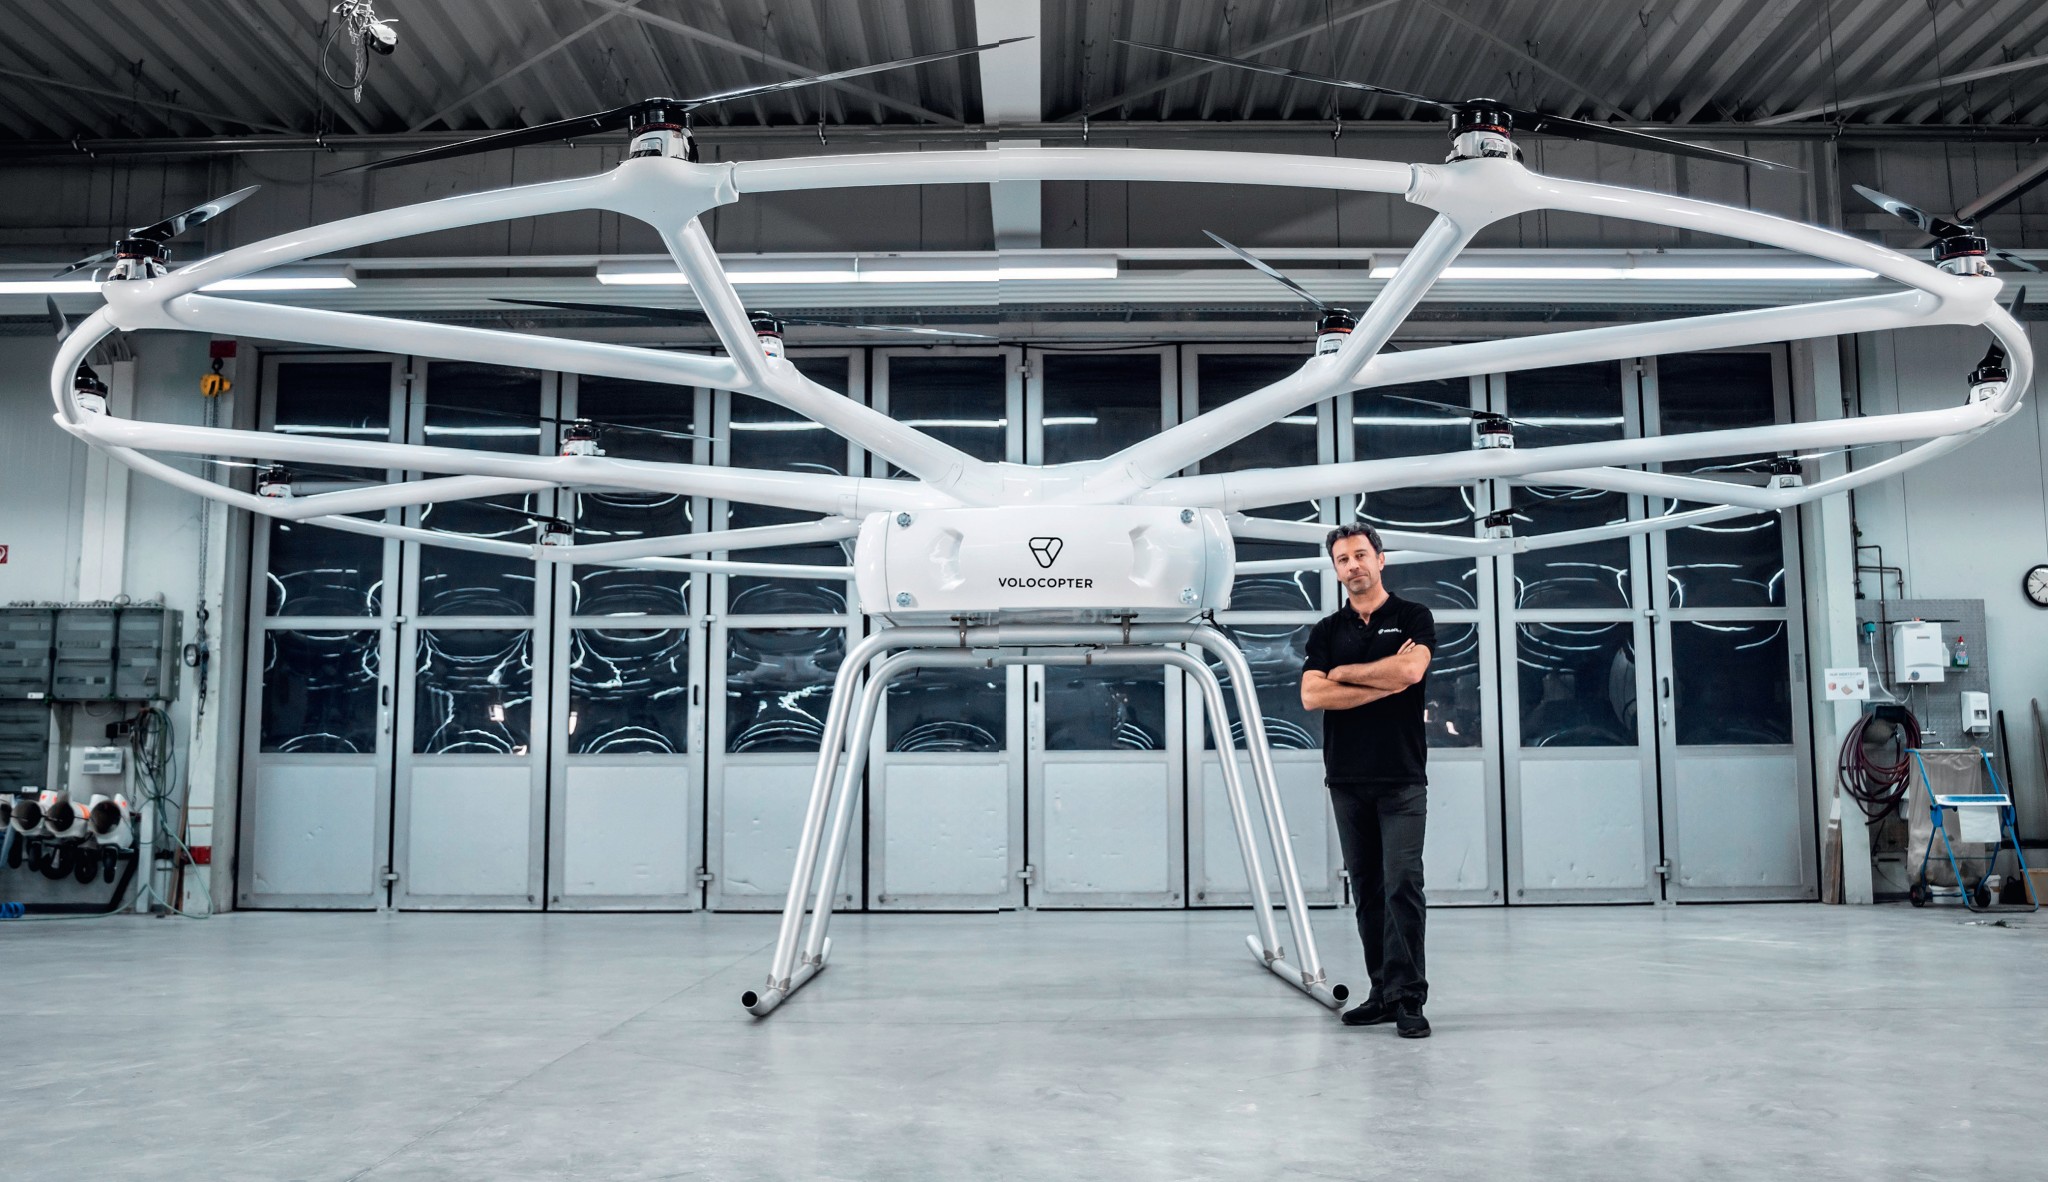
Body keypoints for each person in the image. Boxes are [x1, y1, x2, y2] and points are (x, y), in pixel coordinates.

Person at [1300, 521, 1435, 1038]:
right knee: (1368, 891)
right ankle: (1382, 993)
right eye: (1343, 559)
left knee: (1403, 885)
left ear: (1380, 559)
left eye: (1360, 555)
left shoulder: (1412, 616)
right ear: (1336, 569)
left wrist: (1343, 673)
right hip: (1347, 778)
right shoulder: (1326, 631)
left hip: (1402, 776)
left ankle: (1409, 997)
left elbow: (1411, 673)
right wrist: (1382, 679)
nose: (1352, 565)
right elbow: (1312, 695)